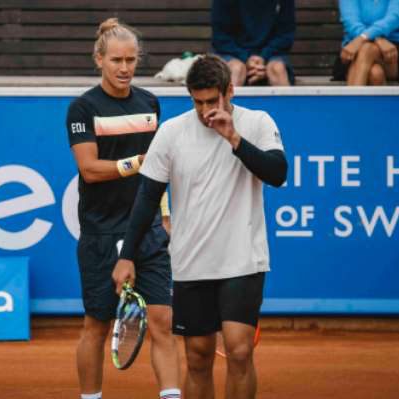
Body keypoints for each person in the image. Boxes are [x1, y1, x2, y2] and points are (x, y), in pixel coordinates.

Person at [113, 55, 288, 399]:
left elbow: (278, 173)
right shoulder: (171, 132)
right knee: (197, 357)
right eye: (198, 102)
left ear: (230, 91)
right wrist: (127, 255)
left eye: (212, 101)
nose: (205, 110)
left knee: (239, 350)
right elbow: (147, 198)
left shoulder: (257, 122)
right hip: (191, 261)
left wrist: (233, 138)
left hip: (243, 259)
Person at [65, 18, 181, 399]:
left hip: (146, 229)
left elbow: (158, 174)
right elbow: (89, 169)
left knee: (162, 321)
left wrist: (164, 216)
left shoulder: (149, 103)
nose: (125, 68)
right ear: (99, 59)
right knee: (96, 327)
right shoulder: (82, 109)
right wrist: (138, 163)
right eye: (116, 60)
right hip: (101, 233)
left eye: (131, 60)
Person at [333, 0, 399, 85]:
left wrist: (364, 38)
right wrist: (377, 39)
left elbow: (393, 18)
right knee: (375, 73)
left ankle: (353, 96)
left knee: (367, 49)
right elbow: (351, 23)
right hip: (354, 50)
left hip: (397, 50)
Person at [211, 0, 296, 86]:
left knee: (277, 69)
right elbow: (220, 37)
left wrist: (263, 57)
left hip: (271, 55)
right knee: (236, 69)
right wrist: (245, 58)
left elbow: (285, 35)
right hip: (233, 54)